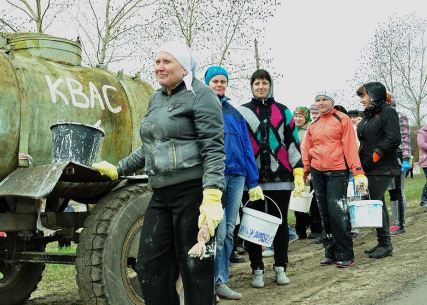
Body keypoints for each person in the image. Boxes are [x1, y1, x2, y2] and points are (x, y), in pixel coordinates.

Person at [92, 42, 225, 305]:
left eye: (167, 62)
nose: (159, 67)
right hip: (161, 193)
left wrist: (212, 194)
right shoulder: (157, 98)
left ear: (185, 67)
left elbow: (213, 148)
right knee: (149, 267)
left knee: (195, 269)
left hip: (192, 192)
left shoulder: (202, 95)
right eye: (157, 62)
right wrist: (118, 169)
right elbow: (149, 147)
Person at [238, 69, 305, 287]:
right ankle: (257, 268)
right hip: (254, 180)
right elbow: (239, 145)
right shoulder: (242, 112)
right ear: (252, 86)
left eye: (264, 83)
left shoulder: (283, 111)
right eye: (257, 83)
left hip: (281, 178)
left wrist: (298, 171)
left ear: (270, 85)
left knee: (280, 223)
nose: (261, 87)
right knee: (253, 225)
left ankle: (280, 267)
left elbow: (293, 143)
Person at [204, 65, 264, 301]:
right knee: (213, 231)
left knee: (229, 231)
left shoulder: (235, 113)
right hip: (214, 176)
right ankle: (206, 283)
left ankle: (221, 282)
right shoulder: (201, 108)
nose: (219, 85)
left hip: (237, 176)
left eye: (223, 81)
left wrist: (253, 180)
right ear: (207, 83)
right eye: (215, 81)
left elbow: (247, 149)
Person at [302, 92, 367, 268]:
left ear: (332, 101)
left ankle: (345, 253)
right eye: (318, 100)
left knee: (337, 211)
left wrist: (358, 171)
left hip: (337, 170)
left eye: (324, 100)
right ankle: (329, 251)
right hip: (317, 171)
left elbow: (350, 146)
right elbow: (307, 148)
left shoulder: (342, 119)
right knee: (324, 213)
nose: (321, 103)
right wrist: (305, 171)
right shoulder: (313, 124)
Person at [356, 82, 401, 259]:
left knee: (374, 203)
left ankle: (385, 243)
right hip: (367, 166)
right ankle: (383, 242)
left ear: (374, 95)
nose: (361, 100)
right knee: (378, 204)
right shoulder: (368, 115)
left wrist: (377, 153)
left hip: (382, 167)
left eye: (363, 96)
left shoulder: (387, 112)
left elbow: (393, 137)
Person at [292, 106, 322, 241]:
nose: (298, 119)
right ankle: (301, 229)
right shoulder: (291, 130)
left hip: (310, 167)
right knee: (297, 198)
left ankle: (316, 227)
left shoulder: (310, 129)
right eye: (296, 116)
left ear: (306, 118)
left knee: (313, 200)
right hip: (295, 168)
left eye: (301, 116)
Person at [385, 92, 411, 236]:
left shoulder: (400, 116)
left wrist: (406, 158)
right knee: (391, 192)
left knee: (398, 190)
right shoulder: (379, 117)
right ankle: (396, 222)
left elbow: (406, 138)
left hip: (398, 156)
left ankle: (400, 224)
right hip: (384, 159)